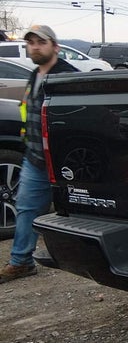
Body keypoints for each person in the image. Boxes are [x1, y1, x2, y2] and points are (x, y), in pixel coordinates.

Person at [0, 25, 78, 283]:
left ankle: (91, 261)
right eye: (30, 42)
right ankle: (21, 262)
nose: (34, 46)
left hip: (66, 161)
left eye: (41, 42)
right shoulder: (34, 75)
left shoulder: (68, 76)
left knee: (82, 211)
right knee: (26, 208)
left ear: (55, 46)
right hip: (35, 158)